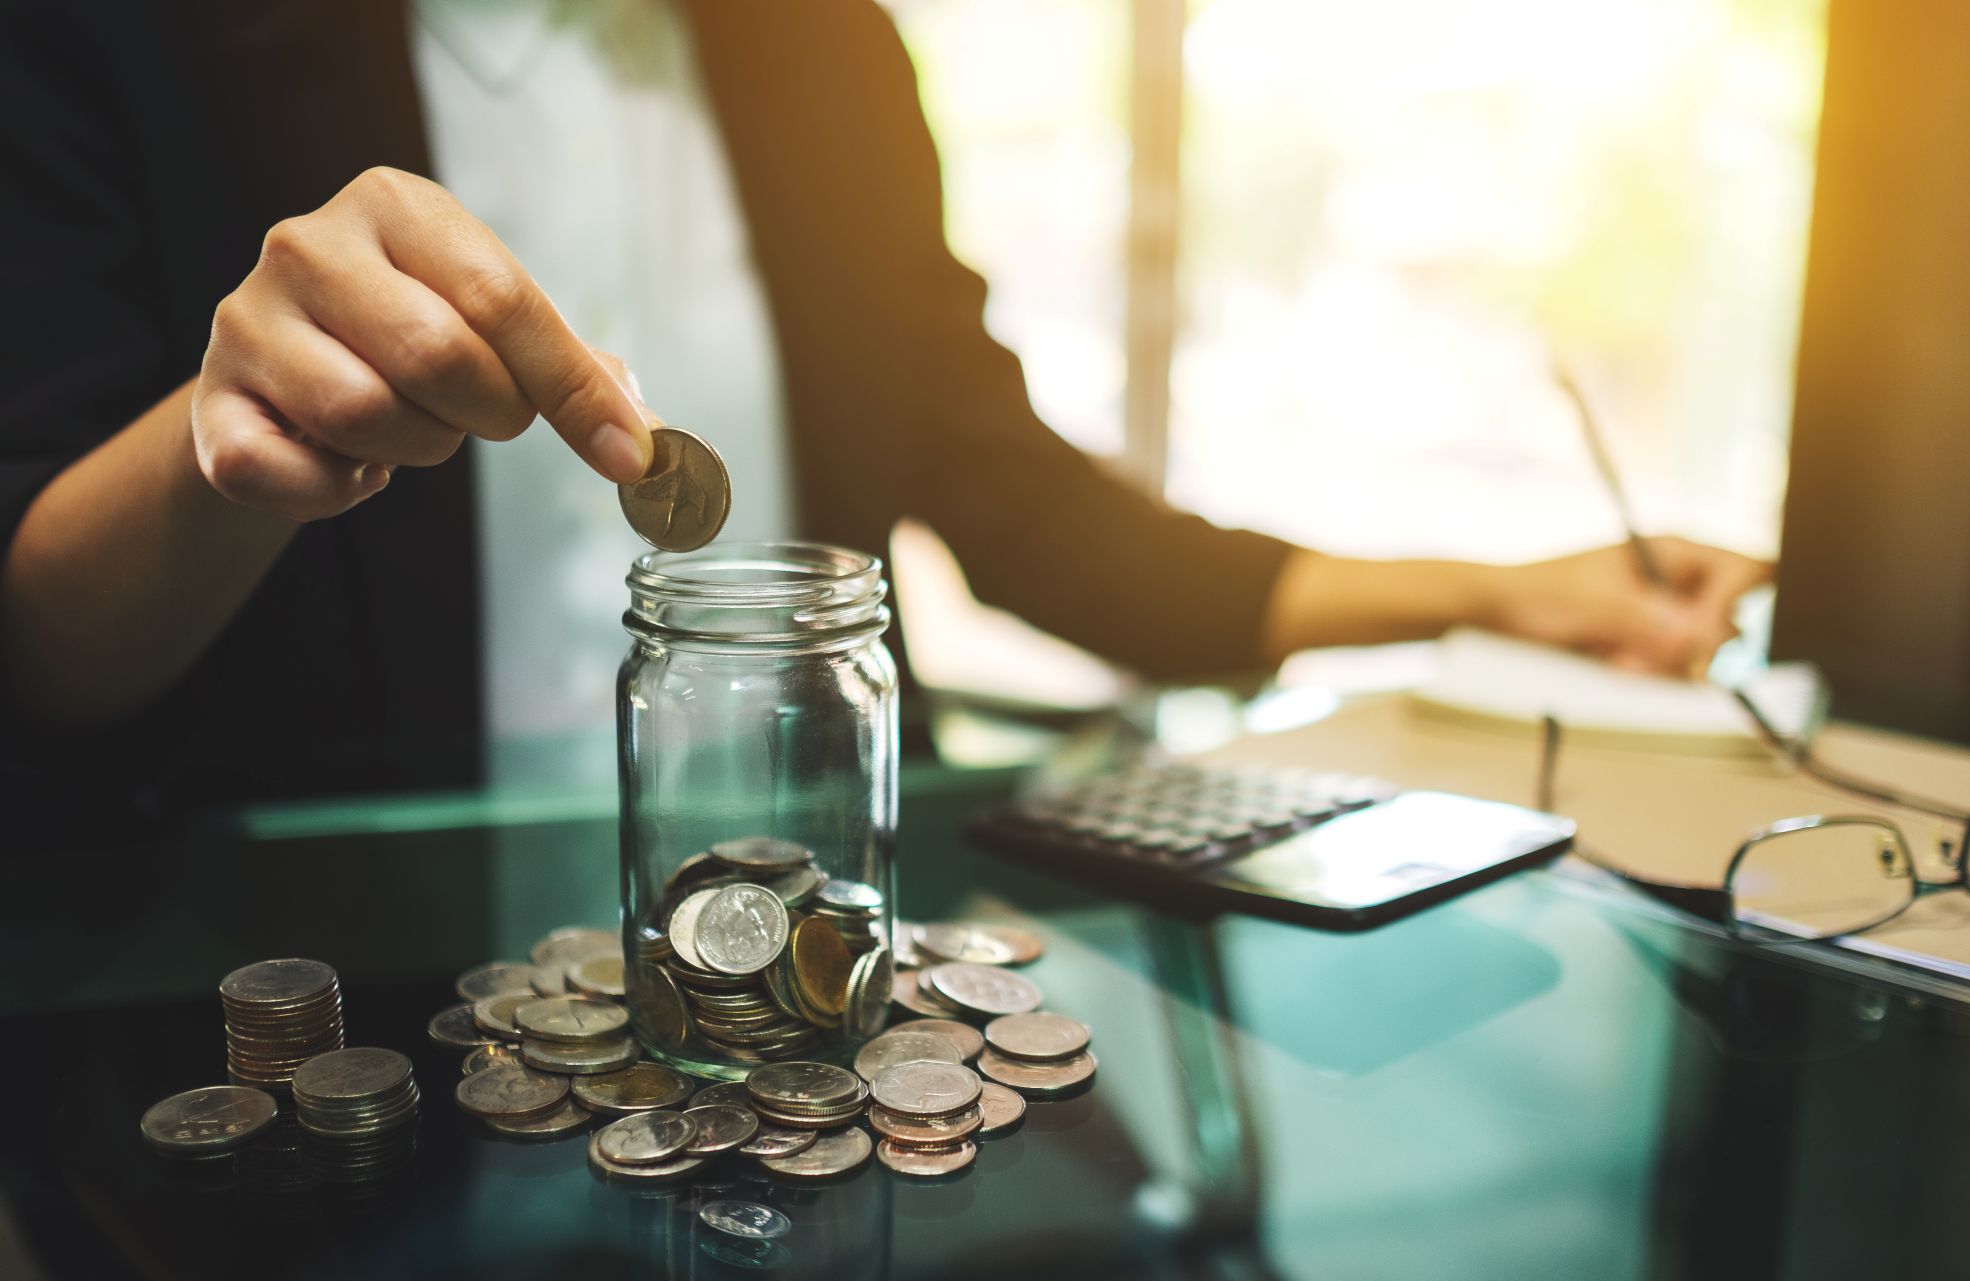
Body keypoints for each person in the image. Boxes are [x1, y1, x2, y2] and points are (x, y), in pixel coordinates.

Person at [0, 0, 1767, 826]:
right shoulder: (110, 38)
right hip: (325, 955)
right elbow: (41, 645)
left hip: (829, 922)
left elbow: (1028, 514)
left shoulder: (825, 46)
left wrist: (1490, 592)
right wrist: (222, 451)